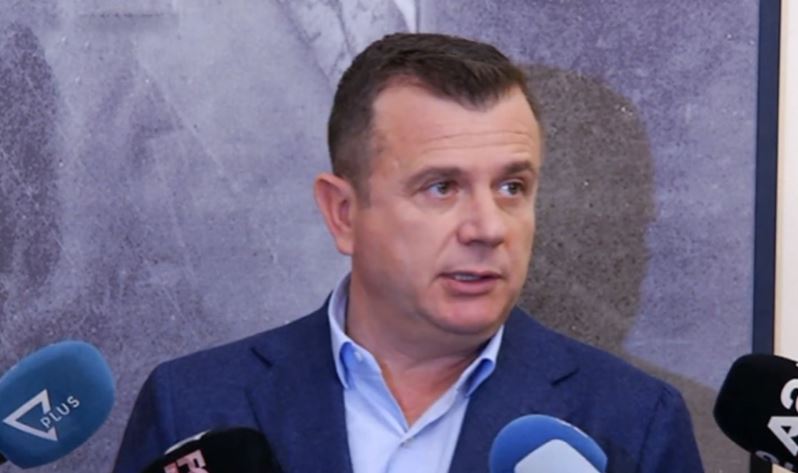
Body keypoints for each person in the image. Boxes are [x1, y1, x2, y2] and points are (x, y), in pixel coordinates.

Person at [113, 33, 704, 473]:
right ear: (343, 213)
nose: (488, 227)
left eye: (511, 187)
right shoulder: (193, 406)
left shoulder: (632, 423)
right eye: (442, 187)